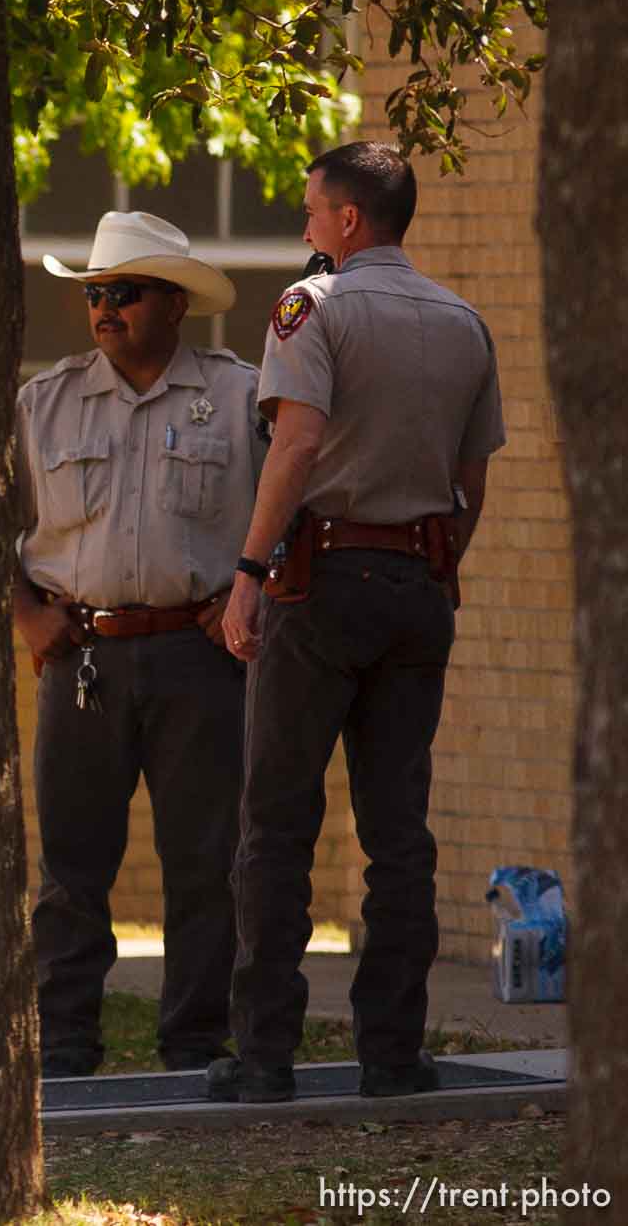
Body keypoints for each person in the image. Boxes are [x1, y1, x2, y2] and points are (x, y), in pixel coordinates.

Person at [211, 141, 504, 1104]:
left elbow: (295, 444)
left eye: (308, 212)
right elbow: (471, 480)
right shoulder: (464, 320)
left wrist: (250, 569)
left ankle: (262, 1057)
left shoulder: (313, 307)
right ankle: (391, 1053)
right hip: (419, 586)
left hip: (319, 579)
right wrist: (434, 563)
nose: (303, 228)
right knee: (399, 832)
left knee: (278, 822)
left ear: (347, 221)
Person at [15, 210, 262, 1079]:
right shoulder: (42, 404)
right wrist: (25, 612)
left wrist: (246, 588)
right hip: (82, 654)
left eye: (124, 292)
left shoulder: (240, 398)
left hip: (202, 659)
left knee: (204, 860)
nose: (104, 308)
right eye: (95, 293)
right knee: (71, 865)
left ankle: (195, 1042)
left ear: (175, 302)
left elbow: (294, 515)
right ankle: (66, 1043)